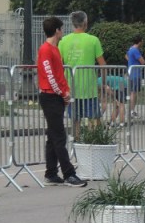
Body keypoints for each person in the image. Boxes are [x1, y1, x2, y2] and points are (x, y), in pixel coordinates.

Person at [36, 16, 86, 187]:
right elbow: (50, 75)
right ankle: (69, 174)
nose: (63, 32)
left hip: (56, 95)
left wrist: (65, 92)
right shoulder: (46, 49)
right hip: (50, 96)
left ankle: (51, 173)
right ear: (57, 30)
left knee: (53, 136)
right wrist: (61, 93)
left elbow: (59, 74)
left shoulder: (54, 49)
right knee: (59, 136)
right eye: (61, 29)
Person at [57, 10, 106, 139]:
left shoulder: (63, 41)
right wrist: (103, 83)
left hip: (71, 87)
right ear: (85, 23)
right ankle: (93, 142)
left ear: (73, 23)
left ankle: (76, 143)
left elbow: (59, 66)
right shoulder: (93, 40)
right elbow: (103, 64)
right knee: (93, 118)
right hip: (89, 88)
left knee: (75, 120)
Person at [126, 35, 145, 118]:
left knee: (132, 92)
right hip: (135, 74)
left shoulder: (130, 49)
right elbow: (142, 61)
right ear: (140, 42)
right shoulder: (135, 50)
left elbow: (126, 56)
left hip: (131, 73)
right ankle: (131, 111)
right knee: (134, 93)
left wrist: (131, 61)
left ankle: (131, 110)